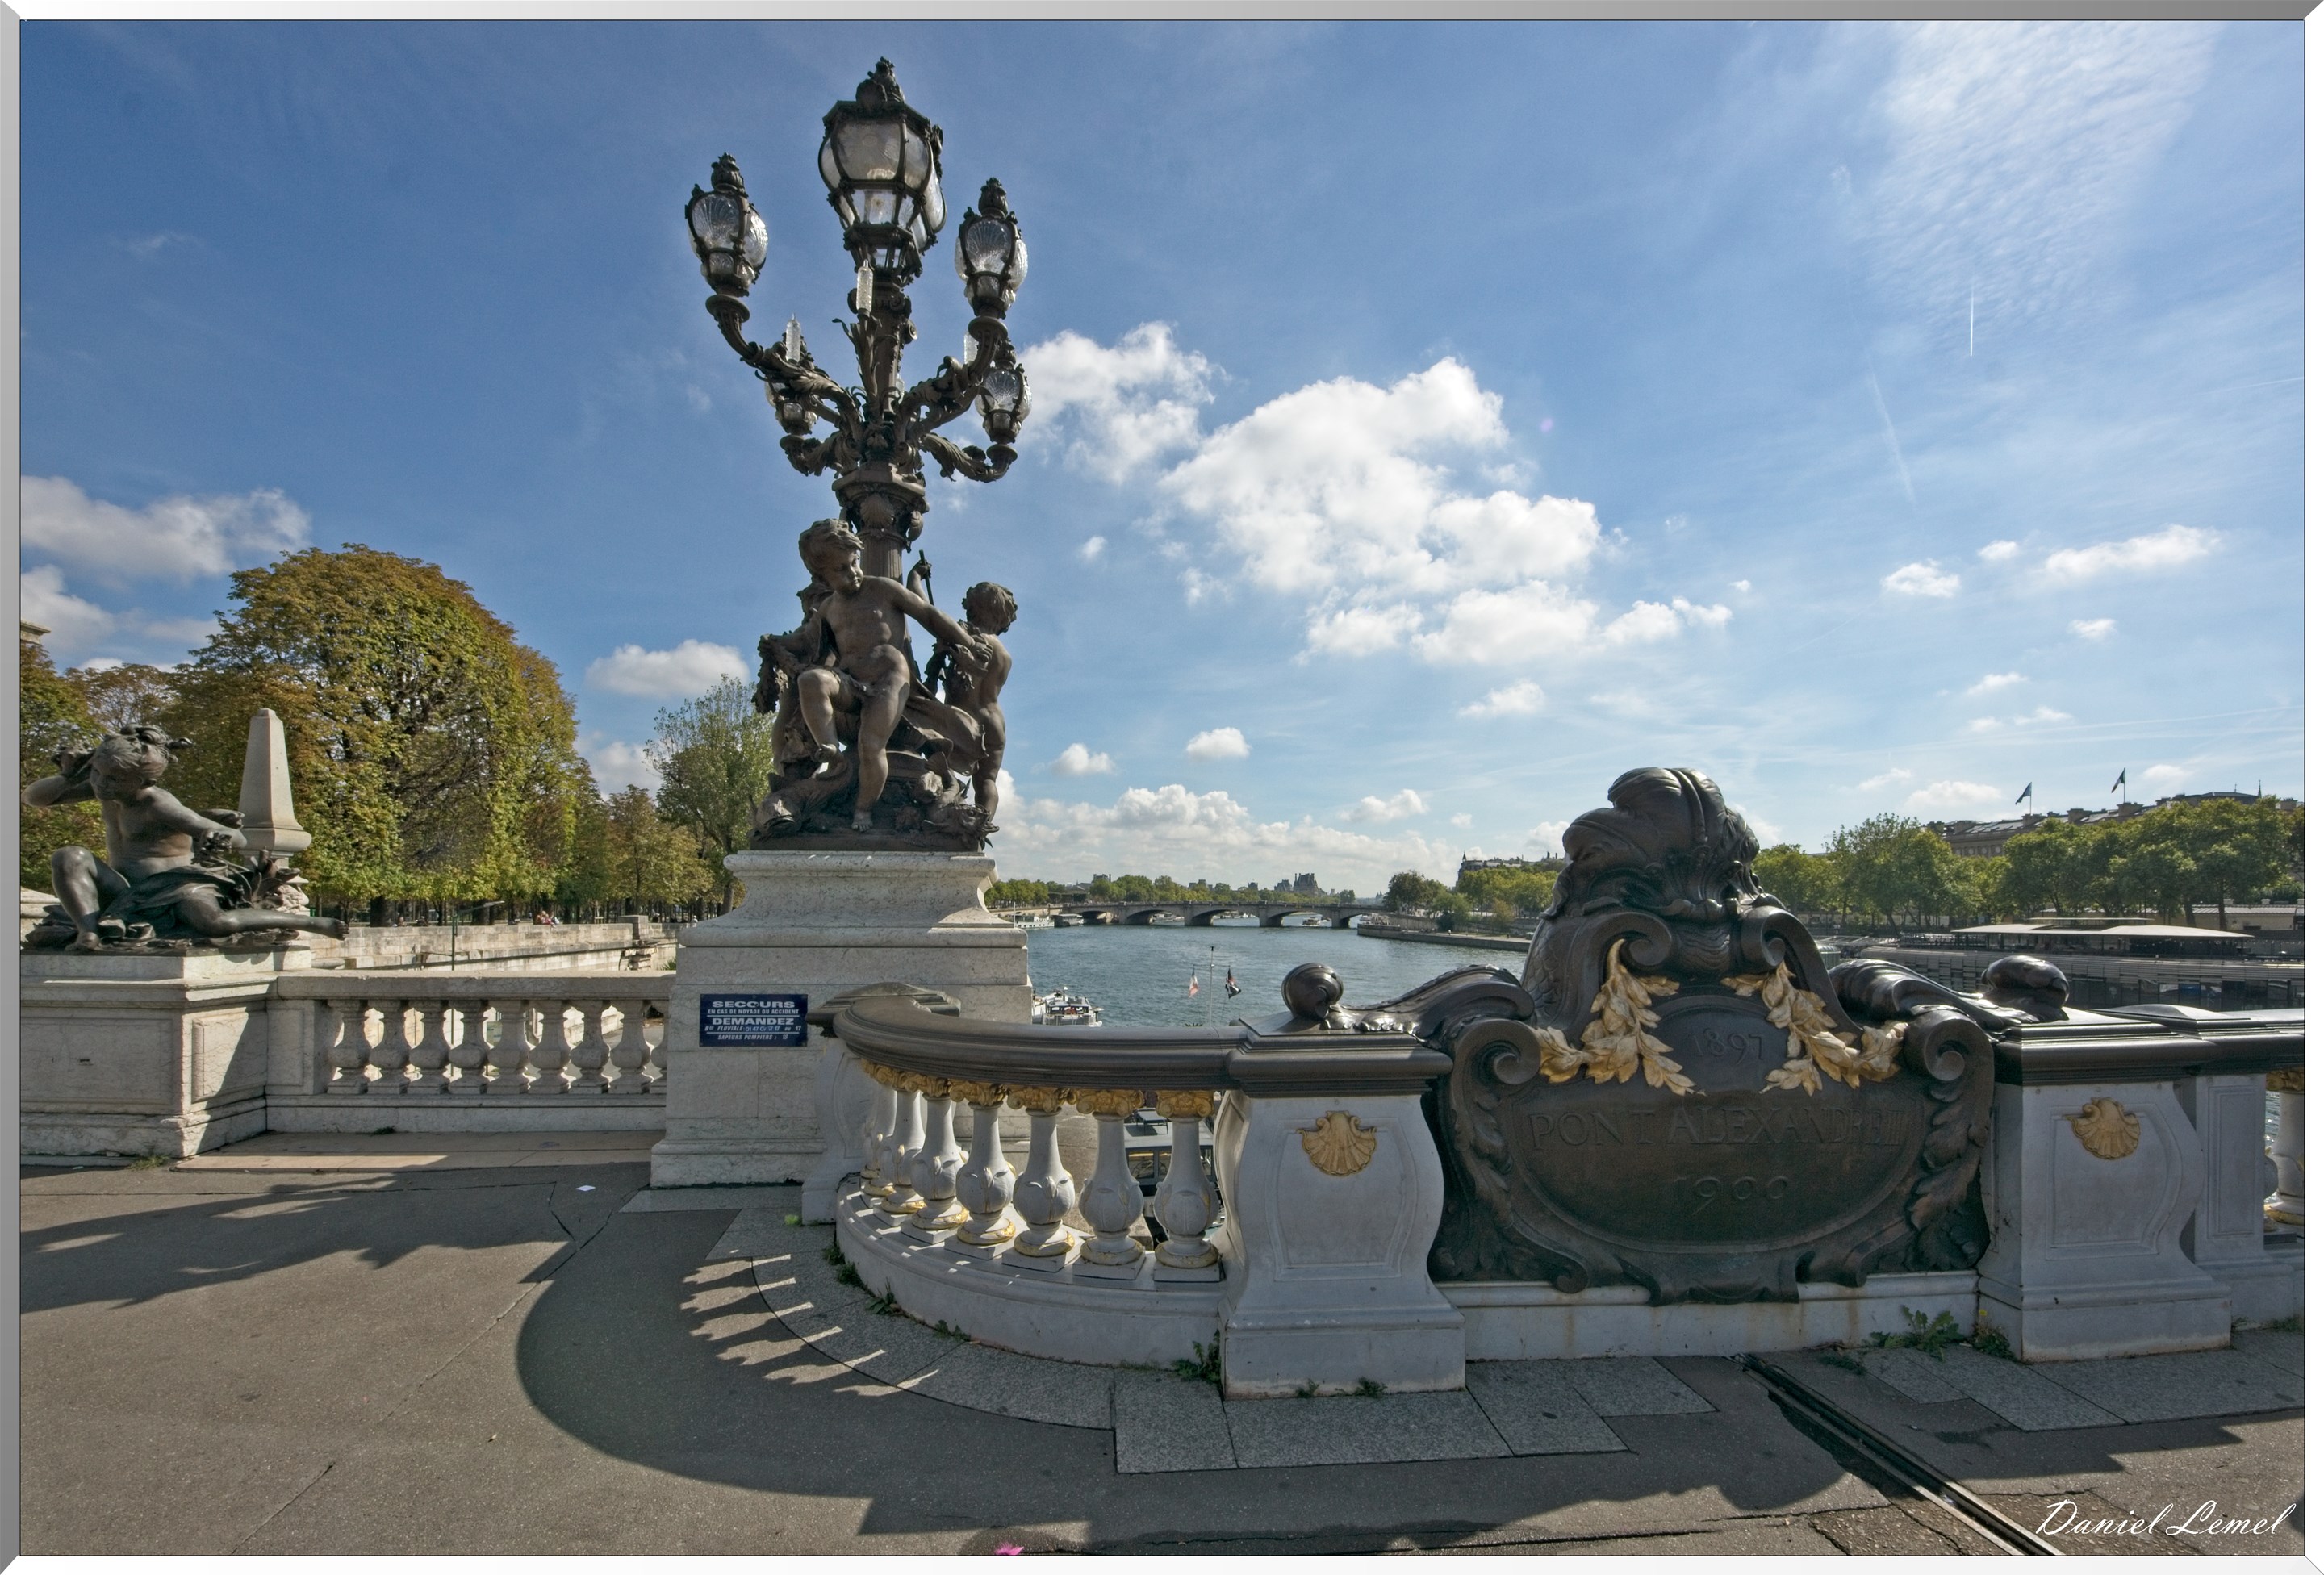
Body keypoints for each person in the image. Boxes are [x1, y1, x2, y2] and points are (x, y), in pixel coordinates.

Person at [22, 725, 349, 950]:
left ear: (143, 782)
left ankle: (309, 923)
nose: (100, 783)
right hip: (123, 887)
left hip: (173, 887)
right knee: (69, 856)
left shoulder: (158, 803)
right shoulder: (104, 790)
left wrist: (213, 832)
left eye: (113, 779)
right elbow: (33, 798)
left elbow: (236, 839)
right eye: (96, 772)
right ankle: (89, 932)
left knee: (215, 924)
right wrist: (69, 777)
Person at [773, 519, 976, 833]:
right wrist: (775, 643)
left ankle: (864, 809)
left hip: (889, 676)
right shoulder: (827, 608)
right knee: (811, 680)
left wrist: (967, 642)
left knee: (870, 744)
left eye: (854, 562)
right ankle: (830, 749)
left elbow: (928, 614)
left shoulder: (882, 588)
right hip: (851, 681)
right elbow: (806, 642)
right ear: (822, 576)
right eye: (841, 569)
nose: (853, 572)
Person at [930, 581, 1016, 814]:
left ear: (976, 607)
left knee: (940, 770)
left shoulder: (967, 637)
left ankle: (941, 814)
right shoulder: (1004, 654)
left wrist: (915, 578)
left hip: (963, 719)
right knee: (986, 781)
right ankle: (981, 828)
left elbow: (930, 615)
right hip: (995, 721)